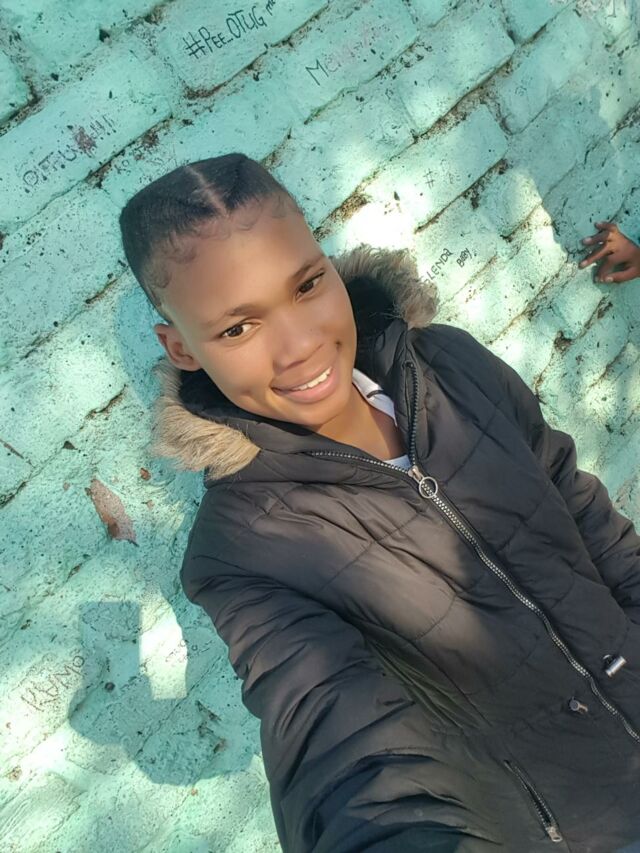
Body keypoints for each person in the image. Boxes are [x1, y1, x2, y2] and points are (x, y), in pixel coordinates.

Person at [118, 154, 640, 853]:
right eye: (238, 328)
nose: (302, 346)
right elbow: (341, 745)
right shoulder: (240, 550)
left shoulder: (453, 365)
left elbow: (590, 524)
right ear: (182, 348)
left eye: (308, 285)